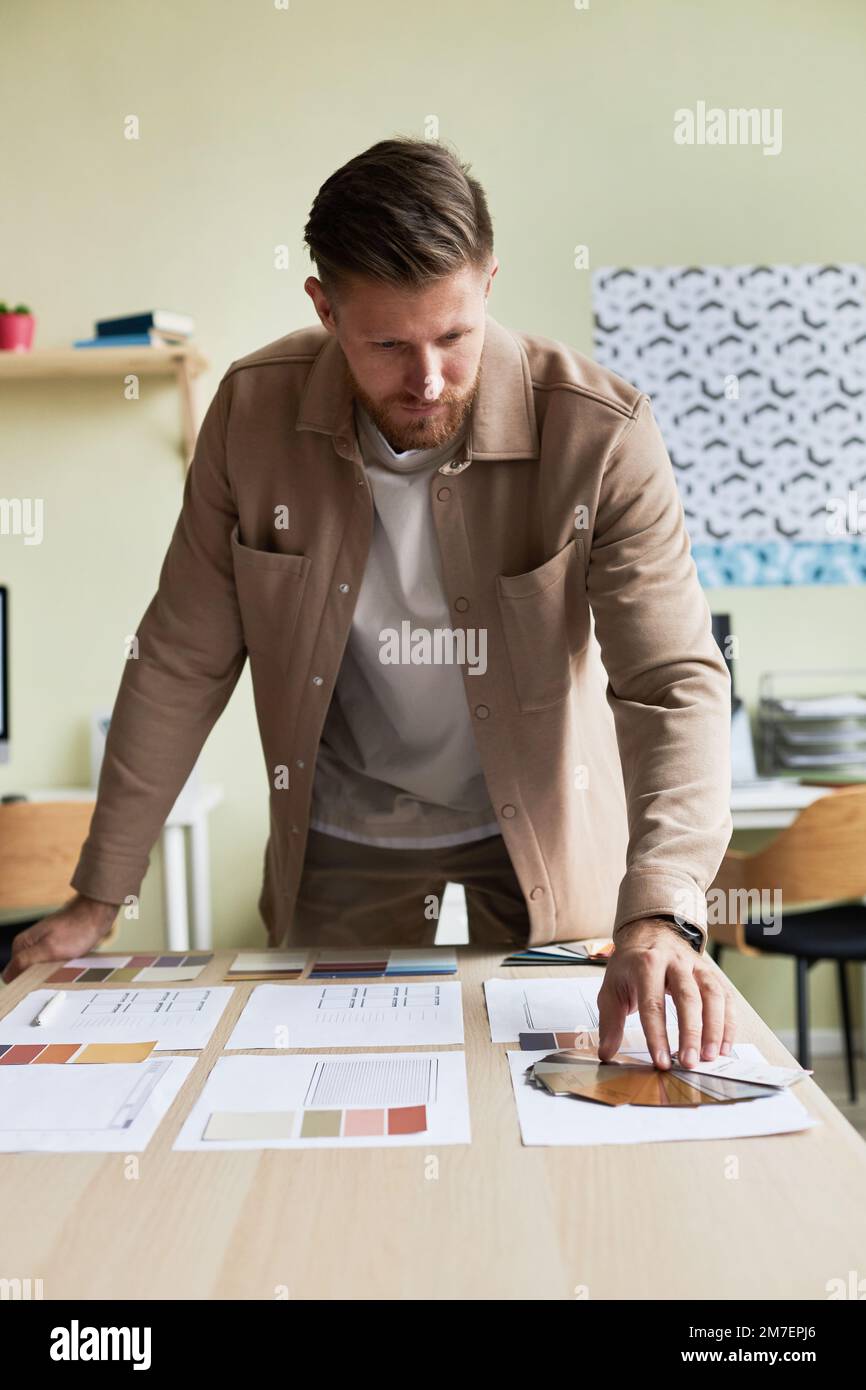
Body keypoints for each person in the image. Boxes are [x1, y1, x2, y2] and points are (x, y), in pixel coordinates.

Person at [3, 137, 737, 1071]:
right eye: (388, 345)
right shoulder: (249, 415)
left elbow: (670, 680)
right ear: (323, 307)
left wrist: (661, 907)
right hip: (348, 830)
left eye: (454, 337)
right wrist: (96, 900)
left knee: (565, 1092)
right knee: (337, 1088)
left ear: (489, 284)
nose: (426, 380)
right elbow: (180, 657)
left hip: (552, 829)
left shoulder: (601, 433)